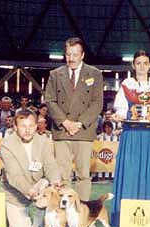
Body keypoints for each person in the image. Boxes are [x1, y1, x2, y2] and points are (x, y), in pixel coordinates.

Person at [109, 50, 150, 227]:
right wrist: (117, 116)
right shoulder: (126, 84)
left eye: (145, 63)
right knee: (130, 172)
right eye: (138, 63)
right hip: (131, 135)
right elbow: (122, 110)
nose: (141, 66)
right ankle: (127, 219)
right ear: (133, 65)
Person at [45, 37, 103, 200]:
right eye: (68, 54)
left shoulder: (95, 74)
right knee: (63, 175)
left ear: (82, 55)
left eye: (75, 54)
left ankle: (82, 211)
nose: (71, 58)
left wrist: (79, 123)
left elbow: (97, 103)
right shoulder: (55, 75)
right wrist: (65, 122)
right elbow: (50, 100)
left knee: (83, 174)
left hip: (83, 131)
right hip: (62, 131)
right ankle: (64, 211)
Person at [0, 110, 62, 227]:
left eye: (31, 126)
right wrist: (30, 191)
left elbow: (50, 165)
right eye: (23, 126)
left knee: (47, 185)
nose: (27, 130)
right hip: (15, 191)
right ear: (15, 127)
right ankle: (12, 215)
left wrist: (56, 181)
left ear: (36, 126)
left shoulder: (44, 141)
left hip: (39, 184)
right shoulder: (6, 144)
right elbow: (14, 176)